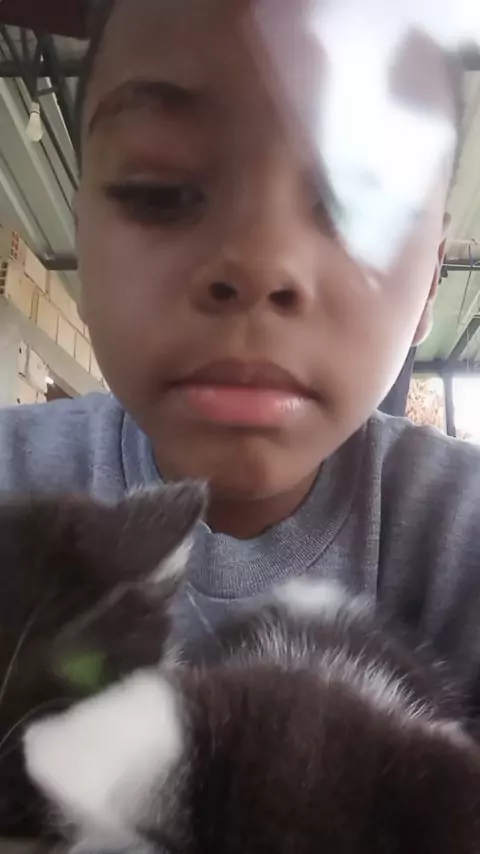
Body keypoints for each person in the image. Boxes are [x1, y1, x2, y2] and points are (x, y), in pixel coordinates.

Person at [1, 0, 479, 712]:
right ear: (83, 240)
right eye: (159, 192)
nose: (259, 261)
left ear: (430, 286)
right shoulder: (13, 488)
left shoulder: (462, 543)